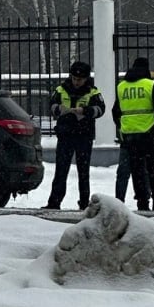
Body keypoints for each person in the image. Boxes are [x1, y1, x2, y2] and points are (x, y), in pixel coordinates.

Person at [42, 61, 106, 210]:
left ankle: (84, 203)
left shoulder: (93, 92)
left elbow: (101, 109)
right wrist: (59, 109)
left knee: (83, 172)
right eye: (74, 78)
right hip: (65, 135)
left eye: (80, 79)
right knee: (61, 170)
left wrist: (85, 111)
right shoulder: (61, 89)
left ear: (86, 78)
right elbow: (51, 105)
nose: (77, 82)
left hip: (84, 135)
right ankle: (54, 202)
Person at [112, 56, 154, 211]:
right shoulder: (150, 85)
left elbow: (115, 112)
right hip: (149, 133)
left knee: (137, 171)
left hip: (130, 137)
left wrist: (124, 127)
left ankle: (142, 202)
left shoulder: (121, 86)